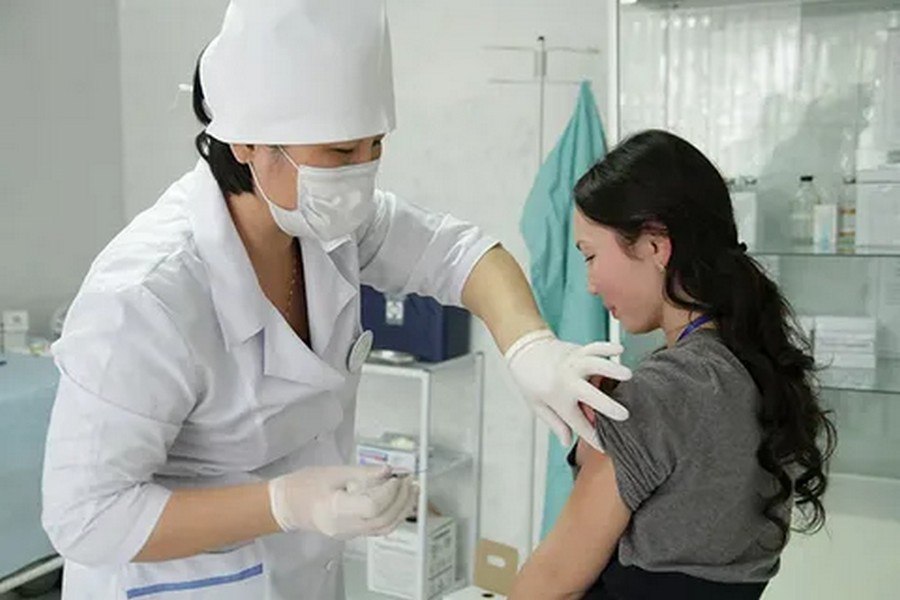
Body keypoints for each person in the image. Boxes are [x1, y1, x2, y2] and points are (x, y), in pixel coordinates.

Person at [40, 1, 631, 598]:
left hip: (302, 577)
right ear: (247, 143)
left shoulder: (323, 223)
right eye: (340, 154)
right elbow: (86, 519)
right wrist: (285, 502)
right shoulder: (143, 298)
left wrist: (531, 346)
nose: (362, 173)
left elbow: (460, 254)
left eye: (375, 146)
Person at [509, 130, 836, 599]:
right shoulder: (763, 374)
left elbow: (547, 587)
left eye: (591, 255)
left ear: (654, 246)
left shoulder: (659, 394)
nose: (590, 284)